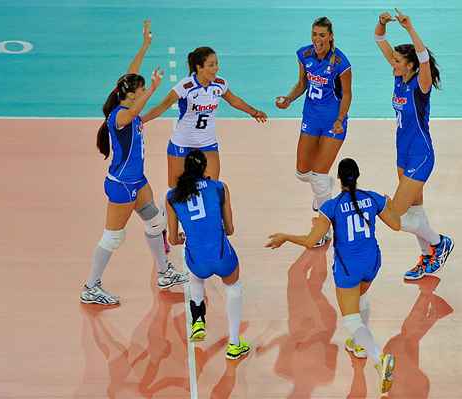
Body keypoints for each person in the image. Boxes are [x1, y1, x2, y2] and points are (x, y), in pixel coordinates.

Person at [266, 158, 396, 394]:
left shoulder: (332, 207)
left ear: (339, 179)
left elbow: (310, 241)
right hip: (372, 261)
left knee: (350, 319)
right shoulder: (374, 198)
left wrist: (285, 236)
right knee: (361, 298)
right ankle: (359, 344)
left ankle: (379, 359)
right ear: (357, 176)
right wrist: (390, 203)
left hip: (348, 266)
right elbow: (396, 224)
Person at [81, 20, 188, 306]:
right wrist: (152, 89)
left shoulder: (126, 97)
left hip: (137, 180)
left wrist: (145, 45)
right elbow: (137, 110)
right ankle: (91, 287)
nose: (141, 93)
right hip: (121, 185)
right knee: (113, 238)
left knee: (155, 222)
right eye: (138, 92)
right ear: (131, 97)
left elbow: (131, 73)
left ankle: (164, 272)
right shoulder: (119, 116)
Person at [374, 9, 454, 279]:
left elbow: (423, 59)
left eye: (397, 61)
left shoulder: (421, 86)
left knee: (395, 217)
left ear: (409, 64)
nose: (393, 63)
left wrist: (409, 28)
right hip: (402, 154)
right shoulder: (399, 78)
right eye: (394, 60)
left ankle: (439, 242)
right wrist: (381, 23)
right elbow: (379, 41)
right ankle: (428, 257)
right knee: (415, 212)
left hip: (420, 154)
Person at [166, 150, 250, 360]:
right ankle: (234, 344)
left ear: (185, 169)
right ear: (205, 168)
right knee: (233, 287)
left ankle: (198, 320)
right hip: (222, 256)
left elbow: (173, 240)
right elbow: (230, 229)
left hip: (197, 261)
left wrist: (190, 235)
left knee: (194, 269)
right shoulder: (219, 188)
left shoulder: (172, 196)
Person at [275, 16, 352, 245]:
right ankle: (324, 191)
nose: (317, 39)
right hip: (311, 117)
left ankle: (323, 232)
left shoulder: (340, 62)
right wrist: (288, 99)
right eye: (314, 34)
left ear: (330, 36)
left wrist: (340, 118)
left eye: (321, 35)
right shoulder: (304, 55)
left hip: (333, 123)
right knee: (302, 172)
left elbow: (347, 94)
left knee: (318, 177)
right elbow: (302, 84)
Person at [143, 46, 267, 185]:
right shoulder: (185, 86)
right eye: (211, 65)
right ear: (199, 67)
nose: (216, 68)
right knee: (175, 190)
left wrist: (254, 112)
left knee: (212, 188)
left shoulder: (220, 84)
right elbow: (162, 107)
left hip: (207, 143)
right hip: (182, 143)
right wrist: (140, 120)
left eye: (216, 64)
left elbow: (234, 100)